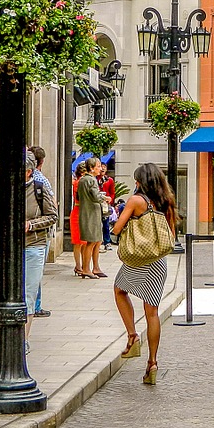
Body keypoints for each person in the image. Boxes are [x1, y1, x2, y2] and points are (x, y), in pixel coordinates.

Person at [112, 163, 178, 385]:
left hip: (138, 259)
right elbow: (171, 233)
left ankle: (132, 336)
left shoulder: (135, 201)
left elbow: (117, 228)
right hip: (158, 261)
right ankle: (152, 362)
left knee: (120, 290)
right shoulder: (166, 201)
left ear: (140, 182)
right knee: (152, 312)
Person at [0, 150, 58, 354]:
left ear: (29, 172)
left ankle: (22, 340)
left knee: (28, 294)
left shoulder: (39, 188)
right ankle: (4, 336)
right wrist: (7, 225)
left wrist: (31, 224)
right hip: (9, 246)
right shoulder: (5, 189)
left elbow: (52, 216)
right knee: (6, 292)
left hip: (34, 247)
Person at [30, 146, 54, 318]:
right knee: (36, 271)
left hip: (30, 233)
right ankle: (35, 305)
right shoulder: (42, 182)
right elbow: (53, 210)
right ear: (42, 161)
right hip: (39, 235)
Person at [76, 157, 106, 278]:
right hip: (91, 213)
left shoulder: (83, 180)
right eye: (98, 167)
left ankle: (92, 268)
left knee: (95, 240)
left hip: (86, 212)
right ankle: (87, 269)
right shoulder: (91, 180)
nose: (100, 169)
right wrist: (104, 198)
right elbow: (96, 197)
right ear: (92, 168)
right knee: (92, 242)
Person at [70, 161, 87, 276]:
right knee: (78, 242)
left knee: (84, 242)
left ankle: (82, 265)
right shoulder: (78, 182)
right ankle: (78, 265)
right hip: (78, 212)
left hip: (82, 212)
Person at [98, 163, 116, 251]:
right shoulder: (95, 179)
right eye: (101, 167)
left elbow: (112, 192)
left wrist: (110, 200)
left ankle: (107, 242)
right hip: (96, 203)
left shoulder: (109, 180)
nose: (102, 169)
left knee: (106, 224)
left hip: (105, 204)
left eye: (104, 167)